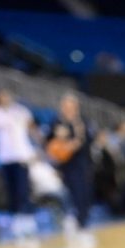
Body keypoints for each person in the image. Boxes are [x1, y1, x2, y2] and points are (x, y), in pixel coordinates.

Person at [0, 89, 38, 237]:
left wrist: (40, 148)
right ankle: (16, 218)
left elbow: (34, 131)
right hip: (5, 157)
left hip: (22, 156)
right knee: (10, 189)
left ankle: (27, 217)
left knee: (23, 188)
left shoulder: (21, 111)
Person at [49, 92, 93, 230]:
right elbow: (50, 141)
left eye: (71, 105)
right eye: (65, 106)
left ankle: (82, 218)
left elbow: (88, 140)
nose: (68, 108)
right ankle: (69, 217)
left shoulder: (83, 121)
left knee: (82, 190)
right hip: (63, 163)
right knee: (67, 191)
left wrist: (77, 141)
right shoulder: (57, 121)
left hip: (81, 162)